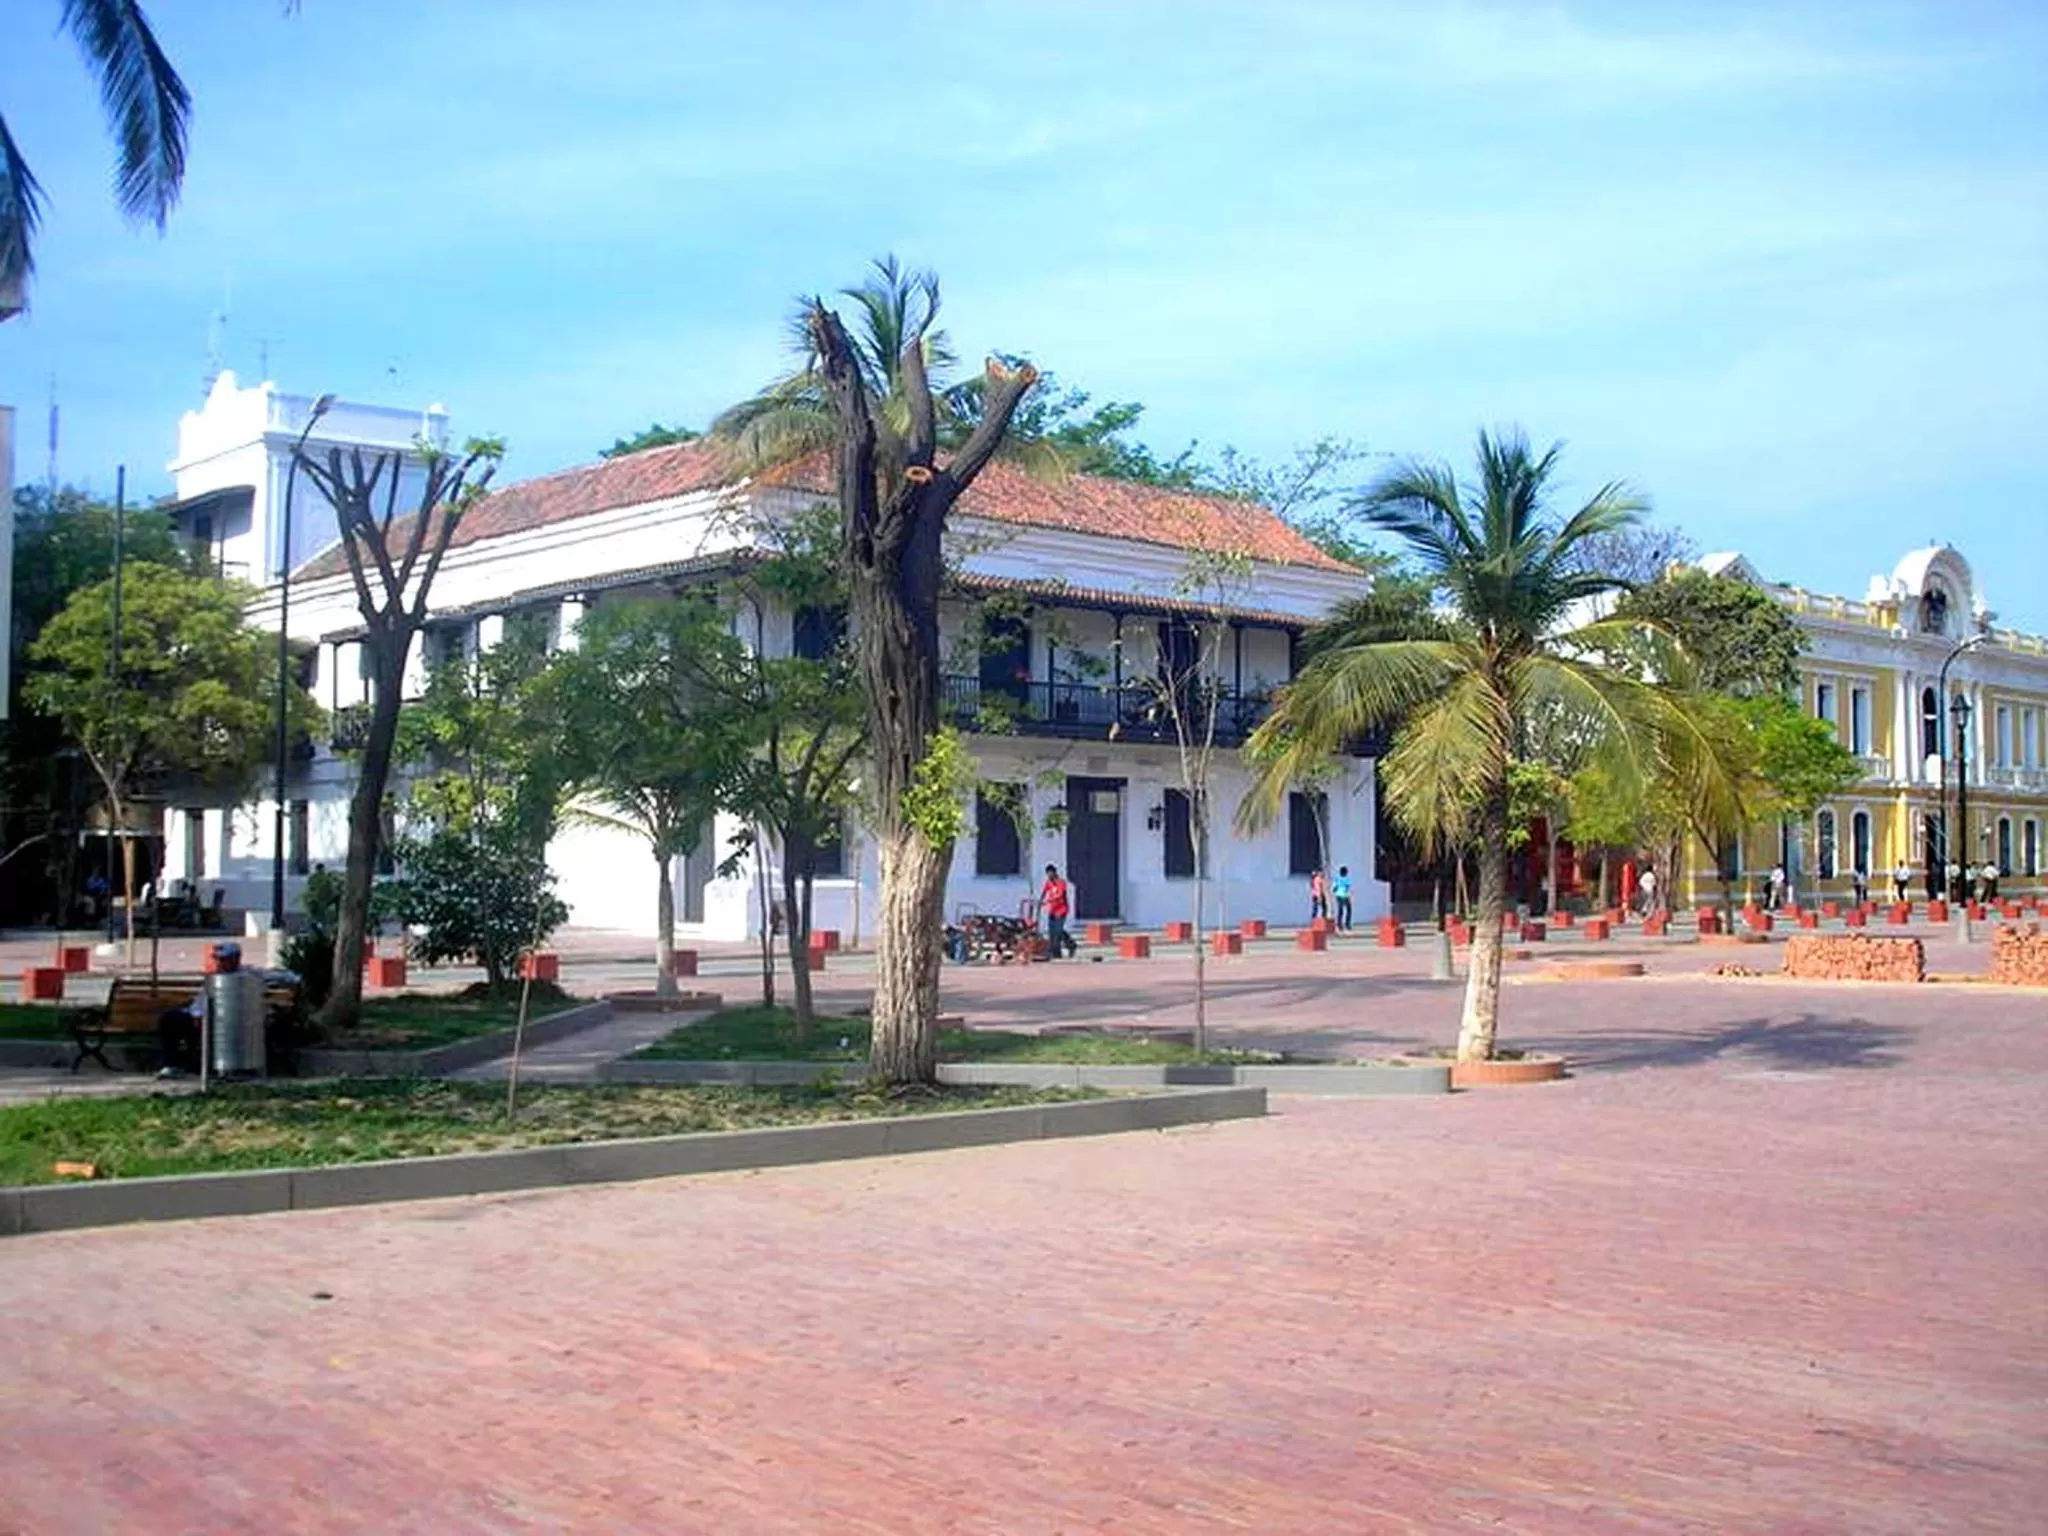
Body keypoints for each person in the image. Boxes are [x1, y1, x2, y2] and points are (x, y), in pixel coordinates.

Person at [1039, 864, 1076, 959]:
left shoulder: (1061, 883)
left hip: (1061, 910)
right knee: (1052, 932)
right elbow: (1044, 892)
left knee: (1058, 931)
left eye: (1050, 873)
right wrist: (1040, 901)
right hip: (1052, 910)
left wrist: (1048, 901)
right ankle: (1056, 952)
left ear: (1054, 873)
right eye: (1048, 874)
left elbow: (1060, 895)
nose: (1049, 875)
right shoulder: (1048, 883)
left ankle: (1070, 945)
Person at [1331, 866, 1353, 931]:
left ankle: (1341, 924)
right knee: (1346, 910)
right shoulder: (1346, 879)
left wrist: (1335, 891)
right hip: (1343, 896)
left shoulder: (1337, 879)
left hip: (1340, 896)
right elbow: (1347, 887)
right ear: (1345, 872)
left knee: (1342, 910)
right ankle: (1345, 924)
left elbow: (1334, 888)